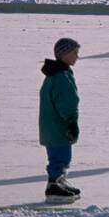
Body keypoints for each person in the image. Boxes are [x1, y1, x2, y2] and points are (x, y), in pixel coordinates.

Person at [39, 37, 82, 203]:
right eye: (74, 53)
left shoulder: (53, 75)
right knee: (61, 155)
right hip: (59, 125)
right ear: (63, 55)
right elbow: (67, 102)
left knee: (57, 154)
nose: (77, 57)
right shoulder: (62, 77)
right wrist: (71, 121)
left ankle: (59, 181)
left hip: (50, 125)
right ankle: (54, 185)